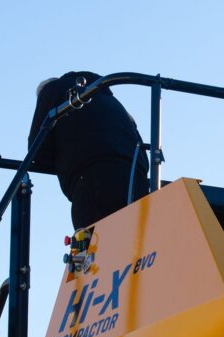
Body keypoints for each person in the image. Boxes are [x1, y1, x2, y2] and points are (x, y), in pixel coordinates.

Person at [28, 71, 149, 229]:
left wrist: (61, 162)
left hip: (92, 179)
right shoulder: (111, 100)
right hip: (136, 177)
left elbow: (36, 148)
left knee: (95, 248)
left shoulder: (51, 90)